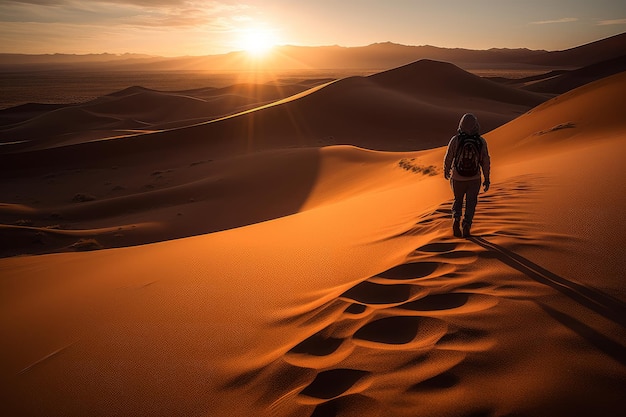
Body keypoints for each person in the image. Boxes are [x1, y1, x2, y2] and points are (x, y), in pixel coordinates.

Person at [443, 113, 491, 238]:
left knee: (458, 200)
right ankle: (467, 224)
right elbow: (485, 161)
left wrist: (446, 170)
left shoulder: (456, 140)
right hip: (474, 178)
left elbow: (448, 157)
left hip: (457, 177)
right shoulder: (481, 141)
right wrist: (487, 178)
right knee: (471, 203)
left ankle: (456, 219)